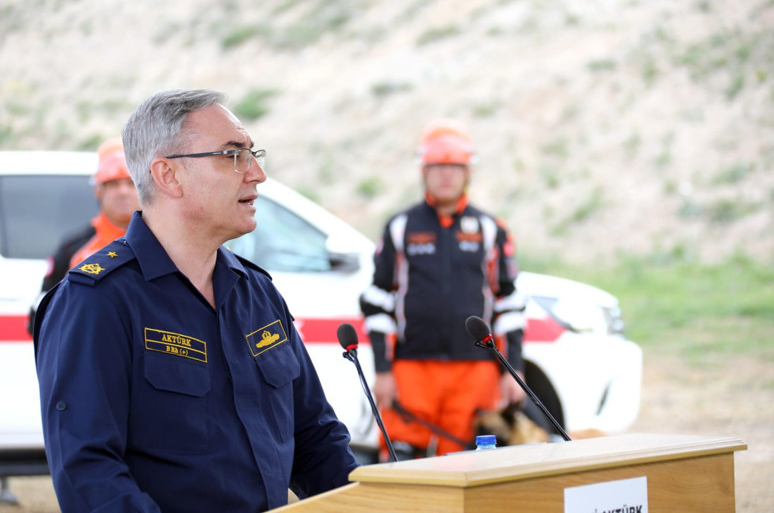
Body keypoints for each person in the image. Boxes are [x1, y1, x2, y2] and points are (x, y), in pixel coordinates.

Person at [34, 88, 359, 512]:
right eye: (232, 155)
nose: (257, 173)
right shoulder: (96, 301)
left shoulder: (256, 293)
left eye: (252, 153)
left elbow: (315, 440)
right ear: (169, 175)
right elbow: (89, 475)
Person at [359, 119, 527, 459]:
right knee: (399, 465)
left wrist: (515, 370)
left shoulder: (491, 229)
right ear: (424, 170)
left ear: (468, 172)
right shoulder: (400, 227)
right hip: (411, 371)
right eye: (438, 166)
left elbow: (509, 302)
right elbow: (378, 302)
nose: (446, 175)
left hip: (475, 372)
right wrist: (382, 370)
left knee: (469, 468)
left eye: (455, 167)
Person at [26, 139, 140, 334]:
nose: (123, 192)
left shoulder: (165, 243)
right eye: (112, 183)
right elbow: (39, 315)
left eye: (130, 182)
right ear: (98, 190)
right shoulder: (73, 249)